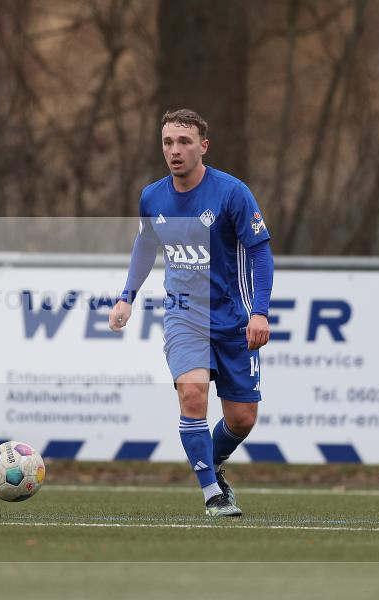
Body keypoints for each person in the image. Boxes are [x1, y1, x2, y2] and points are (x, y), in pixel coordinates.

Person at [109, 109, 273, 517]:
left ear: (203, 146)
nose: (175, 150)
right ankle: (212, 494)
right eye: (167, 142)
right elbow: (146, 245)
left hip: (233, 319)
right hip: (184, 315)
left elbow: (259, 252)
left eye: (184, 142)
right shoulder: (152, 196)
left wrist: (260, 312)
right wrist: (127, 296)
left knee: (242, 419)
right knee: (193, 394)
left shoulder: (232, 193)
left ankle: (211, 463)